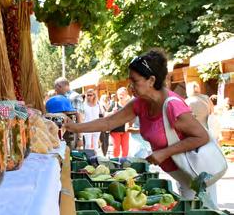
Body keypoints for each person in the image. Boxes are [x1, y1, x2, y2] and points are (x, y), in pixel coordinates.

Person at [64, 49, 213, 200]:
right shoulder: (140, 103)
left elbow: (201, 137)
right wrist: (74, 127)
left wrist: (164, 152)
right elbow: (108, 122)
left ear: (151, 80)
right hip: (181, 174)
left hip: (198, 176)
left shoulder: (172, 106)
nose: (131, 87)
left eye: (135, 81)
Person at [54, 76, 84, 147]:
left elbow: (79, 117)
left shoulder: (74, 96)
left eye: (55, 88)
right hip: (60, 133)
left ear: (59, 86)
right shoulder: (59, 98)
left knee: (71, 155)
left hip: (71, 135)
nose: (55, 90)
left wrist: (80, 138)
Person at [108, 86, 131, 158]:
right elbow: (105, 114)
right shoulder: (114, 105)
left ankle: (124, 164)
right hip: (115, 130)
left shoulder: (129, 105)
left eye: (123, 94)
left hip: (125, 130)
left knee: (125, 149)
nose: (121, 96)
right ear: (117, 96)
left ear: (126, 95)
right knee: (116, 149)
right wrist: (112, 112)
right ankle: (115, 163)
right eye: (120, 94)